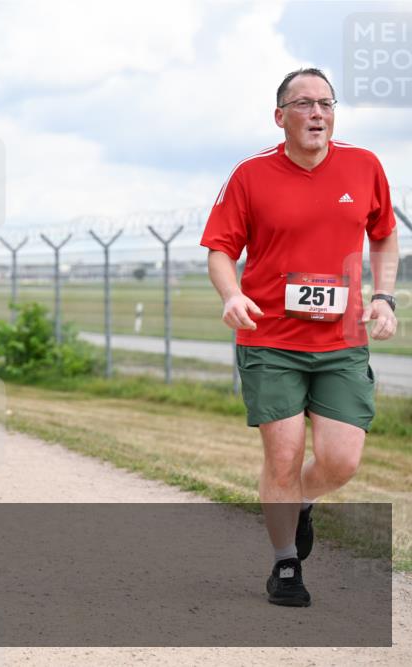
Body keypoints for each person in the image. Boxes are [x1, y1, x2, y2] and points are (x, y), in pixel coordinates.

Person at [201, 68, 399, 607]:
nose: (318, 113)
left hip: (341, 344)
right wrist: (231, 295)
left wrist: (383, 297)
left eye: (326, 103)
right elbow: (220, 248)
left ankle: (301, 502)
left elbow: (383, 237)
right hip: (269, 340)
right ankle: (286, 563)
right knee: (283, 456)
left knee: (341, 461)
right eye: (305, 104)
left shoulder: (364, 166)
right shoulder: (251, 174)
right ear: (280, 115)